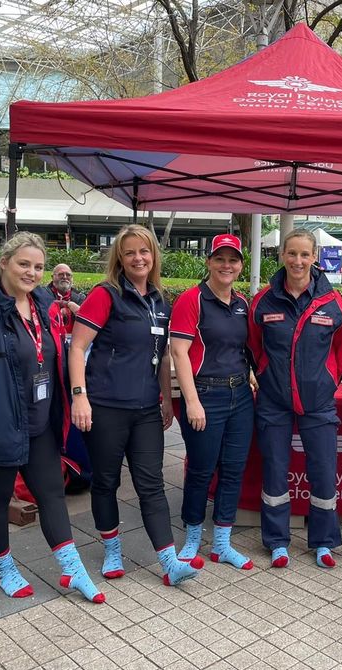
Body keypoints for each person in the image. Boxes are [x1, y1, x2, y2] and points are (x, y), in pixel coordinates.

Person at [0, 232, 104, 604]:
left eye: (38, 267)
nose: (32, 272)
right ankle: (4, 568)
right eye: (24, 264)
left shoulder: (42, 305)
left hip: (39, 423)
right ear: (4, 263)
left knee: (51, 496)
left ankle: (72, 568)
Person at [68, 224, 202, 586]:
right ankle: (112, 549)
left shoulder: (160, 301)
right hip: (106, 407)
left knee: (151, 484)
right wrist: (79, 396)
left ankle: (170, 562)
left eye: (144, 251)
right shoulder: (105, 295)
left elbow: (160, 356)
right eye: (130, 253)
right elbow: (77, 347)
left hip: (145, 410)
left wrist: (167, 400)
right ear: (120, 259)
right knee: (106, 482)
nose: (138, 258)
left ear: (153, 256)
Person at [248, 229, 342, 569]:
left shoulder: (332, 302)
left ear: (315, 257)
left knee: (323, 469)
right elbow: (254, 345)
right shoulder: (264, 300)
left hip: (318, 401)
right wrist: (264, 372)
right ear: (282, 255)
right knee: (275, 469)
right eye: (291, 254)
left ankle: (323, 542)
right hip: (274, 399)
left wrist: (327, 380)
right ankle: (277, 541)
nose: (298, 261)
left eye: (304, 255)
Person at [170, 234, 255, 570]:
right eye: (220, 258)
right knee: (201, 471)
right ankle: (192, 539)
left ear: (240, 266)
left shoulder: (242, 303)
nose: (226, 265)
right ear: (208, 262)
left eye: (233, 260)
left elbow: (243, 350)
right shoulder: (193, 299)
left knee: (233, 470)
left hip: (240, 396)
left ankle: (221, 543)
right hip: (206, 394)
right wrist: (191, 402)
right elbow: (178, 351)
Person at [43, 264, 86, 334]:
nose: (65, 277)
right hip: (50, 337)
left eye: (68, 275)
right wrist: (68, 304)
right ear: (52, 277)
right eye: (61, 274)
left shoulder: (81, 298)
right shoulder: (43, 294)